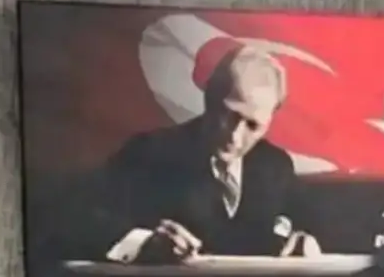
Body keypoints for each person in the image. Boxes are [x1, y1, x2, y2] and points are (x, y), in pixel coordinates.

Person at [79, 45, 320, 264]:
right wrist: (145, 243)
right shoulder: (148, 153)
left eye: (253, 125)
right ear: (209, 98)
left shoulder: (276, 166)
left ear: (269, 122)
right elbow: (85, 219)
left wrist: (303, 239)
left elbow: (306, 222)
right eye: (229, 115)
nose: (235, 136)